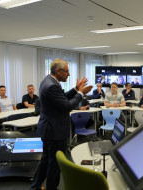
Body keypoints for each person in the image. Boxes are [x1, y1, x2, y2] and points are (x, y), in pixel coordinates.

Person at [30, 58, 92, 190]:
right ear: (58, 71)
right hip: (55, 131)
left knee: (46, 160)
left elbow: (61, 97)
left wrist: (75, 89)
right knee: (55, 164)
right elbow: (66, 106)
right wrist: (81, 93)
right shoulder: (52, 85)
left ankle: (35, 187)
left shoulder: (49, 81)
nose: (69, 74)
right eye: (67, 71)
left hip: (49, 129)